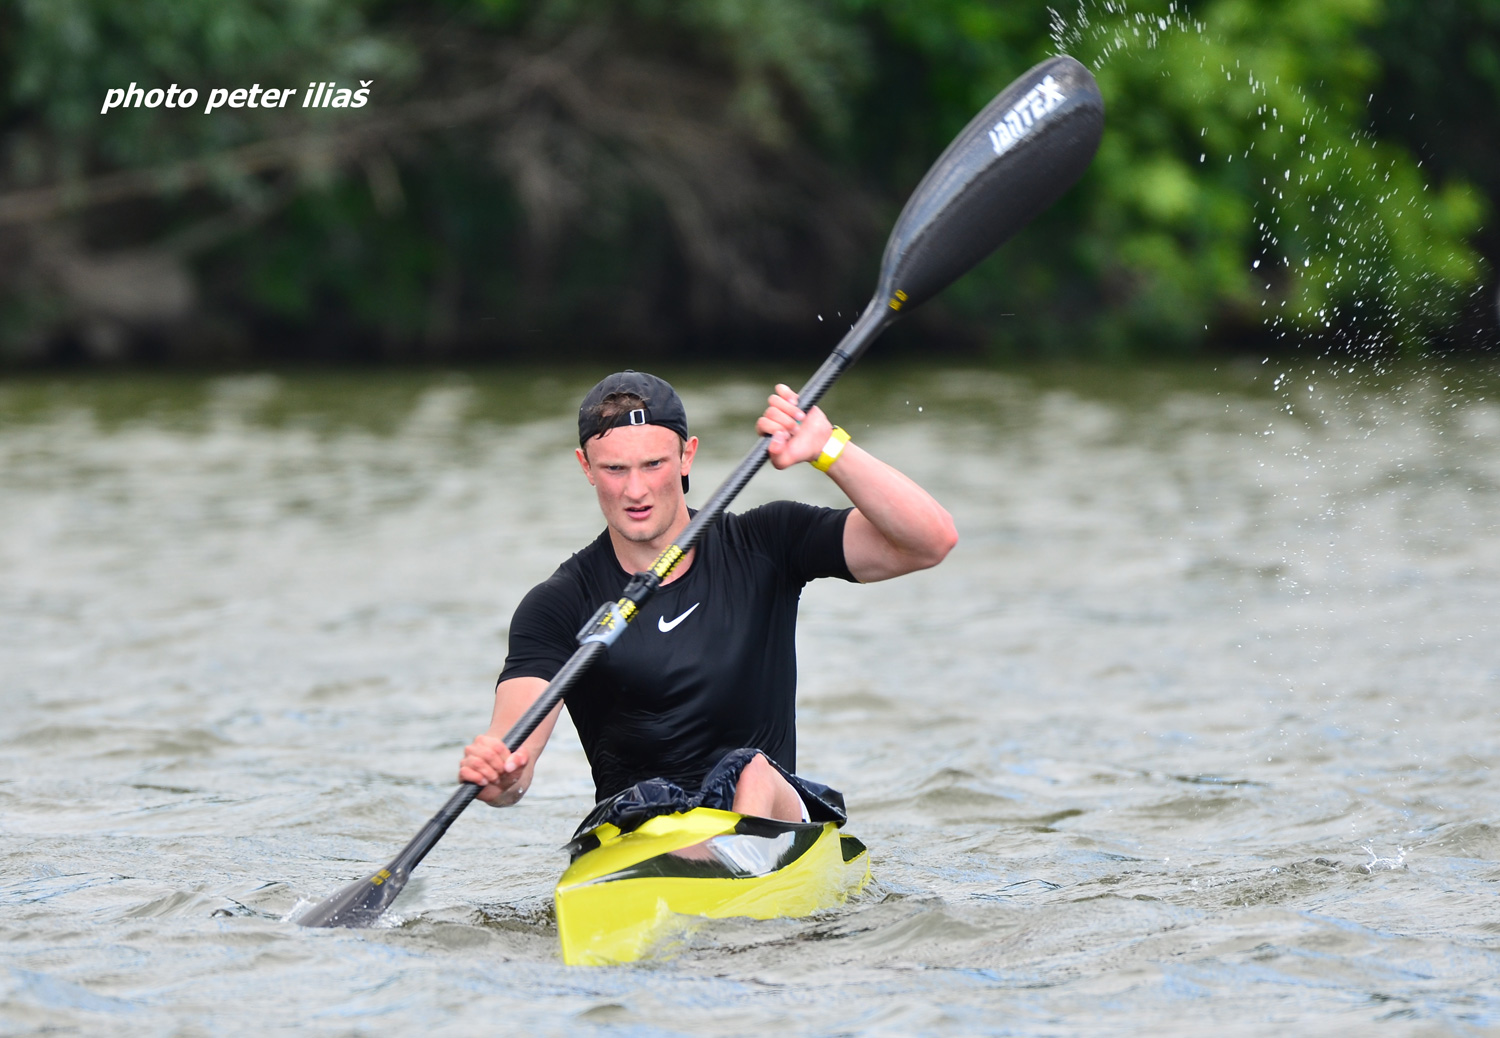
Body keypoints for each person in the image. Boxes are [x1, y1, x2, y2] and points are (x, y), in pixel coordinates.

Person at [458, 370, 956, 834]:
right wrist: (501, 776)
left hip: (770, 816)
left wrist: (828, 449)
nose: (636, 490)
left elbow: (930, 541)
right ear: (586, 466)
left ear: (687, 456)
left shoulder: (767, 543)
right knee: (644, 801)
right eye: (615, 469)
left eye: (654, 464)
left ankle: (732, 876)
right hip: (638, 830)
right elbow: (515, 754)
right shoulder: (559, 604)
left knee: (751, 771)